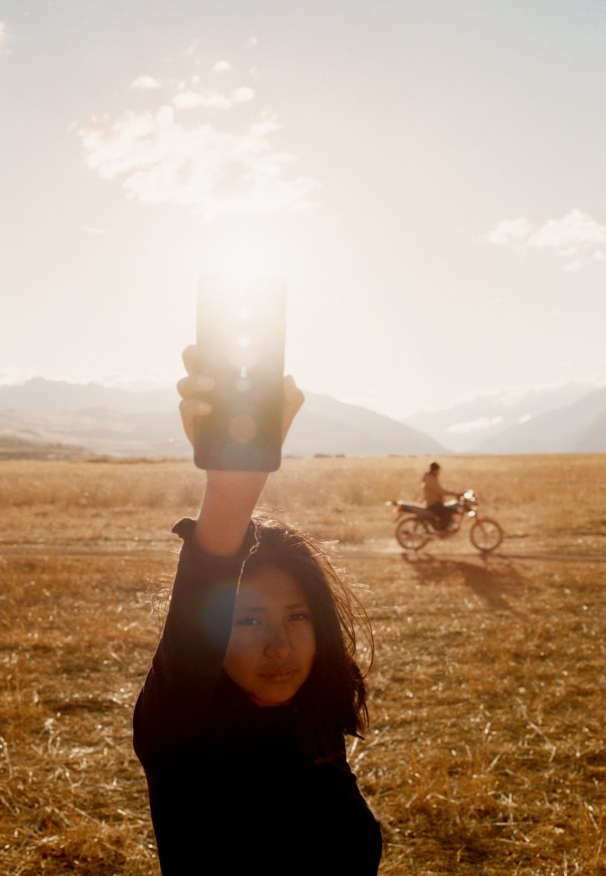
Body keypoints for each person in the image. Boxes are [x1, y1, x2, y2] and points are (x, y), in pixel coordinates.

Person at [133, 347, 382, 876]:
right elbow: (209, 570)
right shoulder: (181, 737)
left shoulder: (312, 721)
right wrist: (229, 488)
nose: (279, 647)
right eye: (247, 620)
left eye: (297, 616)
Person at [421, 461, 460, 531]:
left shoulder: (430, 478)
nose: (439, 473)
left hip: (433, 503)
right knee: (449, 511)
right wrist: (454, 494)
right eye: (438, 471)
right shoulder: (431, 480)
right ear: (435, 470)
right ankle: (442, 529)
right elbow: (440, 491)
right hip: (433, 504)